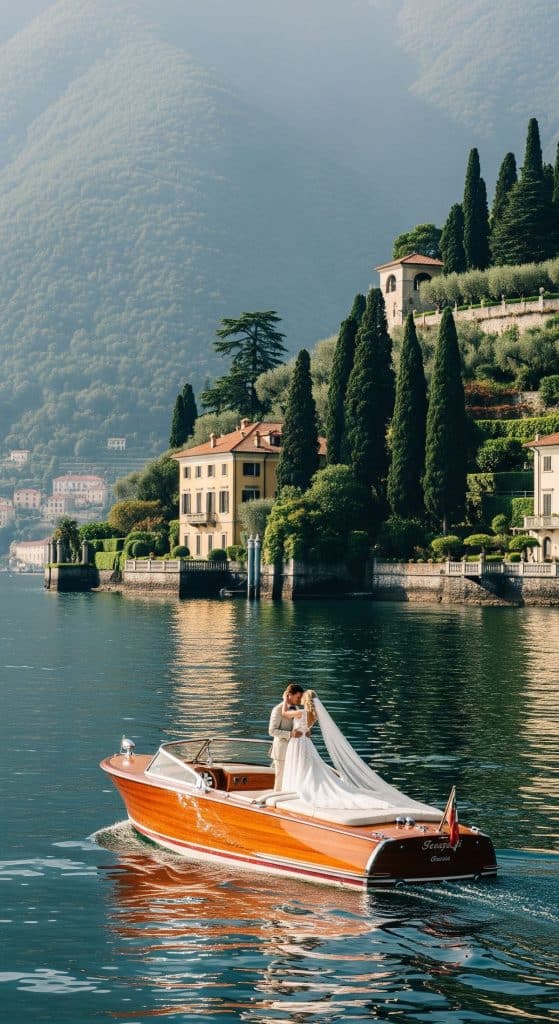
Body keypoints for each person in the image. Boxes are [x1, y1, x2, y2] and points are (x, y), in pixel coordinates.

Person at [280, 689, 438, 815]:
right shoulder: (313, 715)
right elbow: (306, 730)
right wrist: (305, 731)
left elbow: (284, 714)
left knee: (301, 766)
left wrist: (285, 700)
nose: (299, 700)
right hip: (305, 742)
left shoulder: (302, 713)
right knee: (308, 767)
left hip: (297, 743)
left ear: (305, 700)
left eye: (302, 698)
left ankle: (298, 787)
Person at [268, 682, 304, 790]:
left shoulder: (298, 709)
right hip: (281, 752)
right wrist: (290, 734)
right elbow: (272, 731)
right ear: (289, 695)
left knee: (292, 780)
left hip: (295, 751)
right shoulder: (277, 710)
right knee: (280, 781)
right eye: (298, 697)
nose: (299, 700)